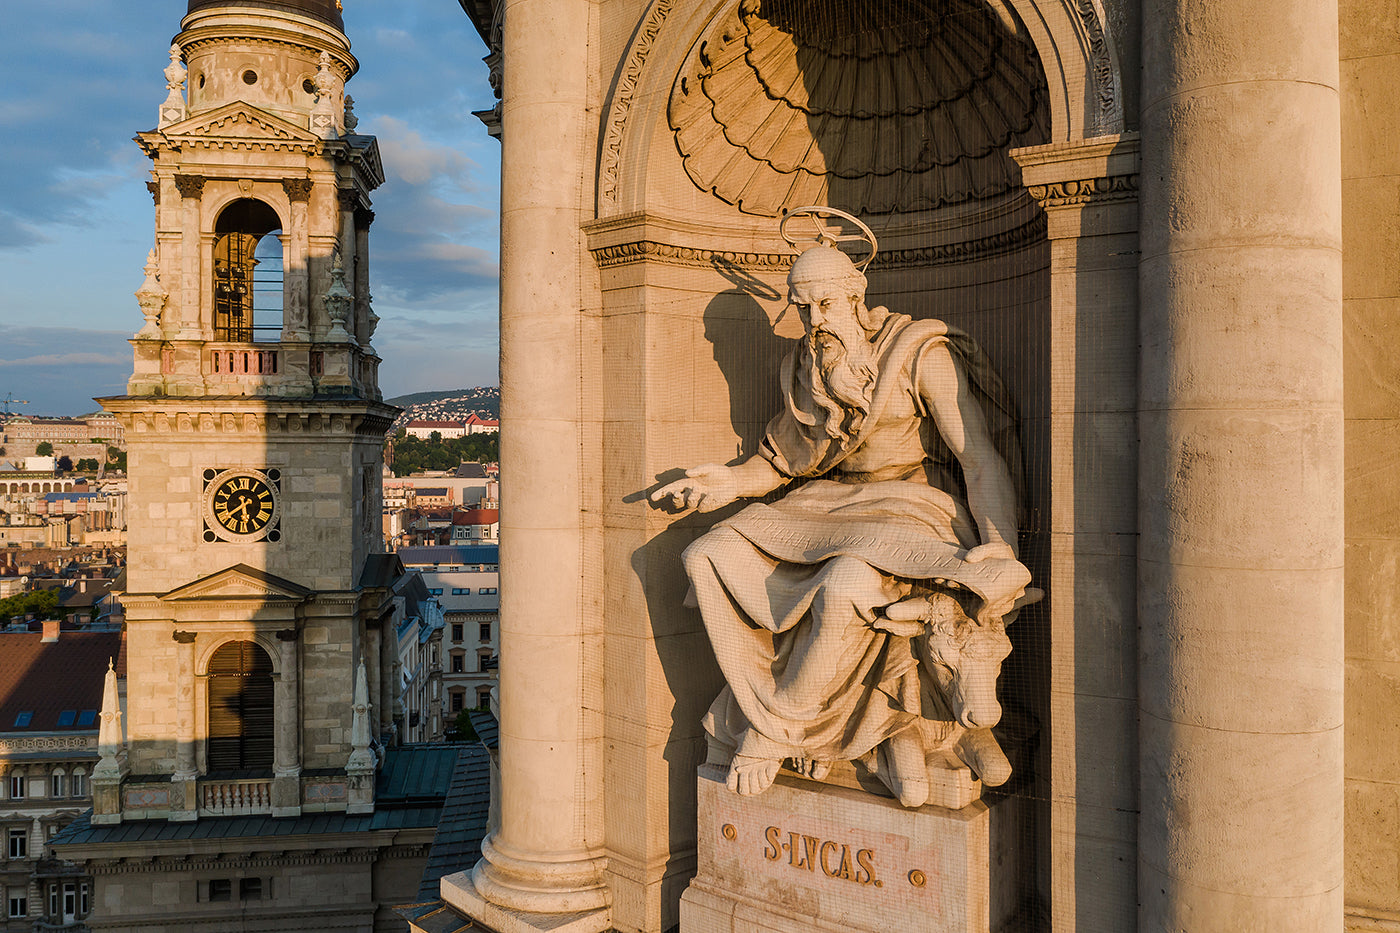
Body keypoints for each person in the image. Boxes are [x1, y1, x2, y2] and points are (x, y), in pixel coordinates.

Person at [652, 240, 1032, 805]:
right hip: (829, 506)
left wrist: (1002, 545)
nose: (814, 321)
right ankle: (779, 705)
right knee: (707, 553)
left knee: (848, 583)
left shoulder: (917, 352)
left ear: (856, 294)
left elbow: (978, 457)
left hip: (913, 505)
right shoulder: (807, 366)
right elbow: (779, 462)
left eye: (825, 305)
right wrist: (720, 484)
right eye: (803, 308)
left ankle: (773, 728)